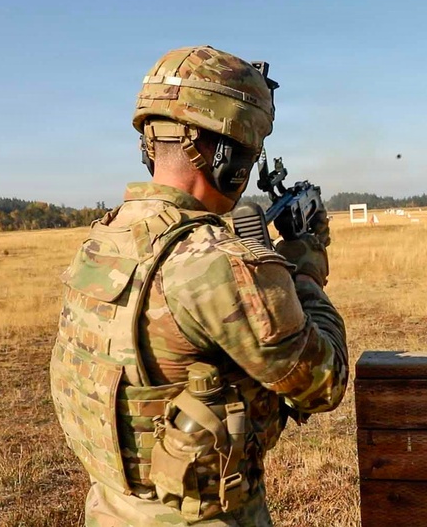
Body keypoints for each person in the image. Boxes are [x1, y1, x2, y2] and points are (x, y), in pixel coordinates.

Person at [49, 45, 348, 527]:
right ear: (226, 154)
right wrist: (306, 270)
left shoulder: (106, 239)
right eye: (250, 152)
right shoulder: (217, 263)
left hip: (111, 509)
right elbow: (322, 384)